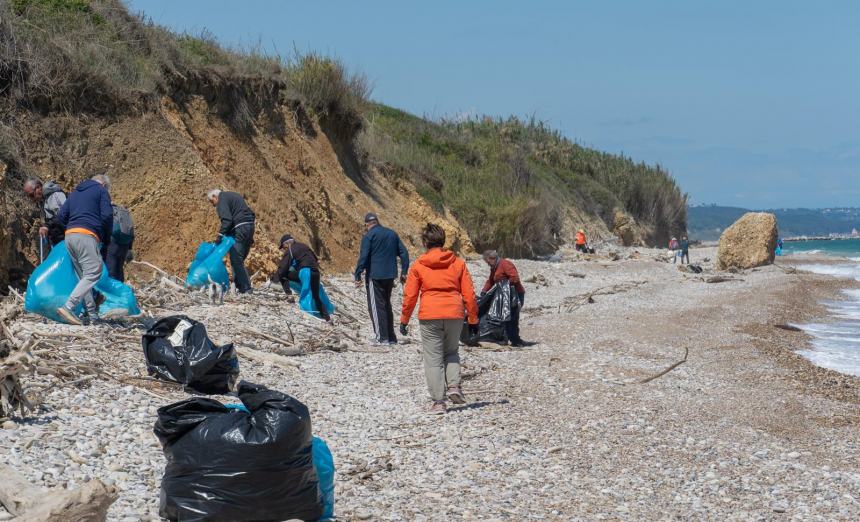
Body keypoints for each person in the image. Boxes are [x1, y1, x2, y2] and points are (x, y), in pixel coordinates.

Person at [400, 224, 479, 415]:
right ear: (443, 241)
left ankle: (438, 402)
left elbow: (410, 296)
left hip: (430, 314)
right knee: (451, 351)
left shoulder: (419, 264)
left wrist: (404, 320)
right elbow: (469, 294)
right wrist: (474, 319)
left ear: (425, 242)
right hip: (454, 313)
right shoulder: (457, 262)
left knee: (433, 359)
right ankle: (453, 387)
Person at [55, 174, 113, 325]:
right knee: (94, 272)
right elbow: (107, 216)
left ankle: (92, 315)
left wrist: (72, 227)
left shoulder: (75, 192)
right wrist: (105, 238)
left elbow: (61, 216)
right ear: (104, 185)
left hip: (70, 236)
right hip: (87, 235)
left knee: (84, 278)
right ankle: (69, 307)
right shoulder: (101, 191)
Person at [354, 212, 409, 345]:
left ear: (367, 224)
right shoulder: (392, 233)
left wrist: (357, 273)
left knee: (375, 306)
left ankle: (381, 337)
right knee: (386, 304)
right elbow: (404, 253)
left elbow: (364, 256)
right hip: (390, 275)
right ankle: (391, 337)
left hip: (375, 275)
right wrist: (404, 272)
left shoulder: (368, 236)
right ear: (377, 221)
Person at [270, 234, 330, 321]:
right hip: (316, 272)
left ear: (287, 244)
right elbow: (316, 260)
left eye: (283, 247)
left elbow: (283, 268)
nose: (284, 249)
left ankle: (294, 300)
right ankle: (327, 318)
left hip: (305, 272)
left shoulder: (290, 249)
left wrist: (274, 278)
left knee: (286, 276)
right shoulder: (304, 246)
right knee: (316, 296)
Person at [207, 189, 255, 294]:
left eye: (212, 202)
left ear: (215, 196)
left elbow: (227, 220)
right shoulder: (233, 195)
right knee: (238, 259)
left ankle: (246, 288)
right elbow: (249, 212)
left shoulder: (222, 200)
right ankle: (240, 287)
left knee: (236, 258)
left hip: (240, 228)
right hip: (249, 226)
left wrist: (220, 236)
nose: (213, 205)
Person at [481, 250, 531, 347]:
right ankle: (506, 338)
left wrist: (503, 284)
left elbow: (515, 278)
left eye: (487, 262)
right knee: (504, 317)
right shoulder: (494, 267)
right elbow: (491, 280)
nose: (487, 264)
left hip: (515, 295)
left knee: (512, 317)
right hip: (505, 296)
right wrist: (484, 291)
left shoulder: (505, 264)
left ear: (492, 259)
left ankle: (515, 340)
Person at [23, 177, 67, 252]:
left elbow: (64, 214)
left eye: (31, 195)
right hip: (59, 242)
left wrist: (47, 226)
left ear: (38, 187)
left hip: (67, 240)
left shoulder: (54, 195)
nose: (32, 199)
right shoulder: (43, 201)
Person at [106, 203, 134, 282]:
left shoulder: (106, 209)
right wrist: (130, 248)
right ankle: (120, 292)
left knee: (111, 269)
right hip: (125, 242)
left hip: (113, 241)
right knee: (119, 269)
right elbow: (131, 229)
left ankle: (112, 293)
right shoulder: (123, 210)